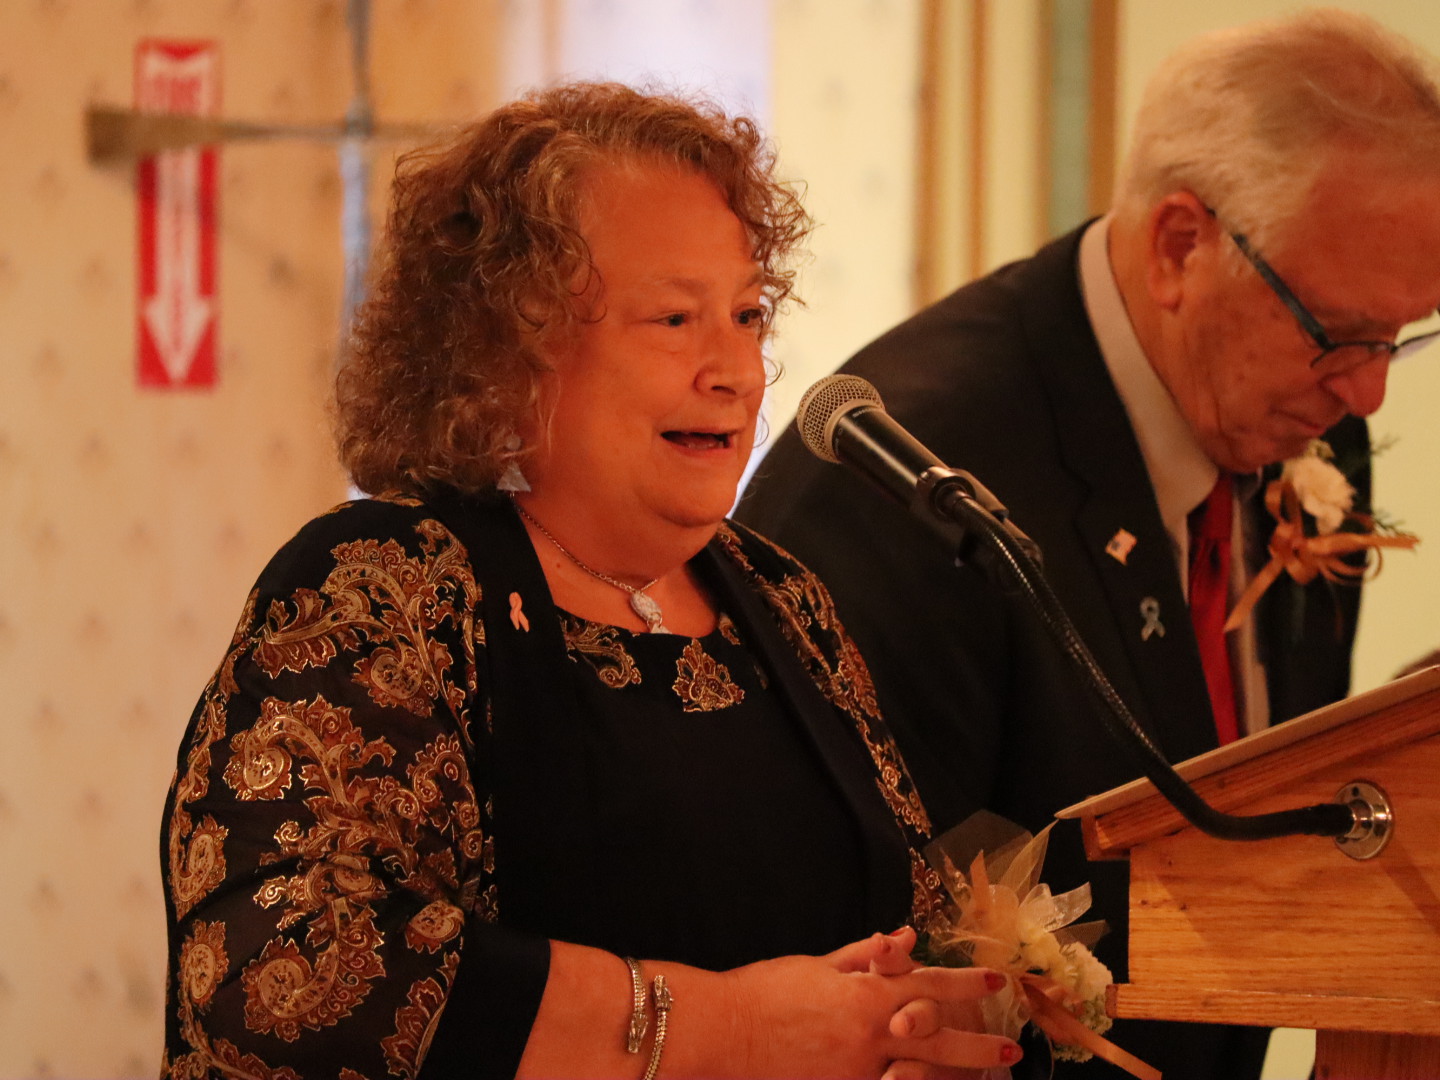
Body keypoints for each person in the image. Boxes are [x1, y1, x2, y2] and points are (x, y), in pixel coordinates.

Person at [159, 82, 1024, 1079]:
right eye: (674, 318)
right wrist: (730, 1031)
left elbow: (904, 924)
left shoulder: (783, 599)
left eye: (747, 314)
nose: (735, 370)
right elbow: (291, 969)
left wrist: (924, 1029)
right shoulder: (384, 590)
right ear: (506, 350)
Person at [740, 10, 1440, 1080]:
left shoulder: (1304, 415)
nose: (1369, 390)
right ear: (1180, 246)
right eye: (1340, 334)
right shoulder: (906, 494)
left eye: (1399, 336)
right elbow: (861, 967)